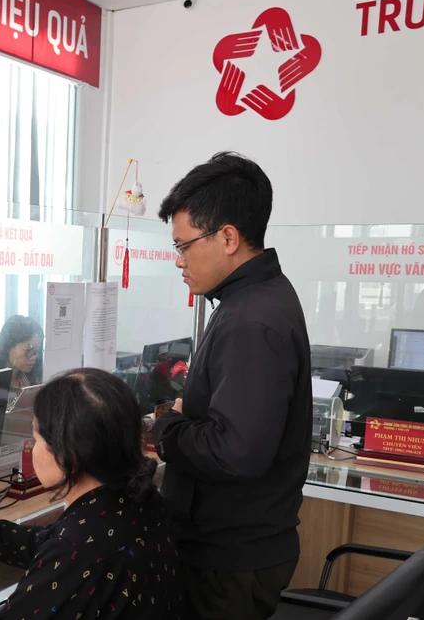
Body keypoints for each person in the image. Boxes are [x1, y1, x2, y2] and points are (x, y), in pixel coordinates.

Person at [152, 152, 312, 619]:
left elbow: (235, 451)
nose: (179, 260)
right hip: (240, 546)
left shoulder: (251, 319)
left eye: (184, 245)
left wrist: (170, 428)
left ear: (227, 237)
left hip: (229, 559)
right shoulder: (258, 297)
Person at [0, 368, 180, 619]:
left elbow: (67, 552)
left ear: (70, 455)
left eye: (37, 437)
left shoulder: (78, 551)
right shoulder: (137, 496)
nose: (32, 447)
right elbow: (51, 542)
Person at [0, 315, 44, 406]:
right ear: (8, 346)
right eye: (28, 350)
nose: (34, 357)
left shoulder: (32, 380)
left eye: (37, 351)